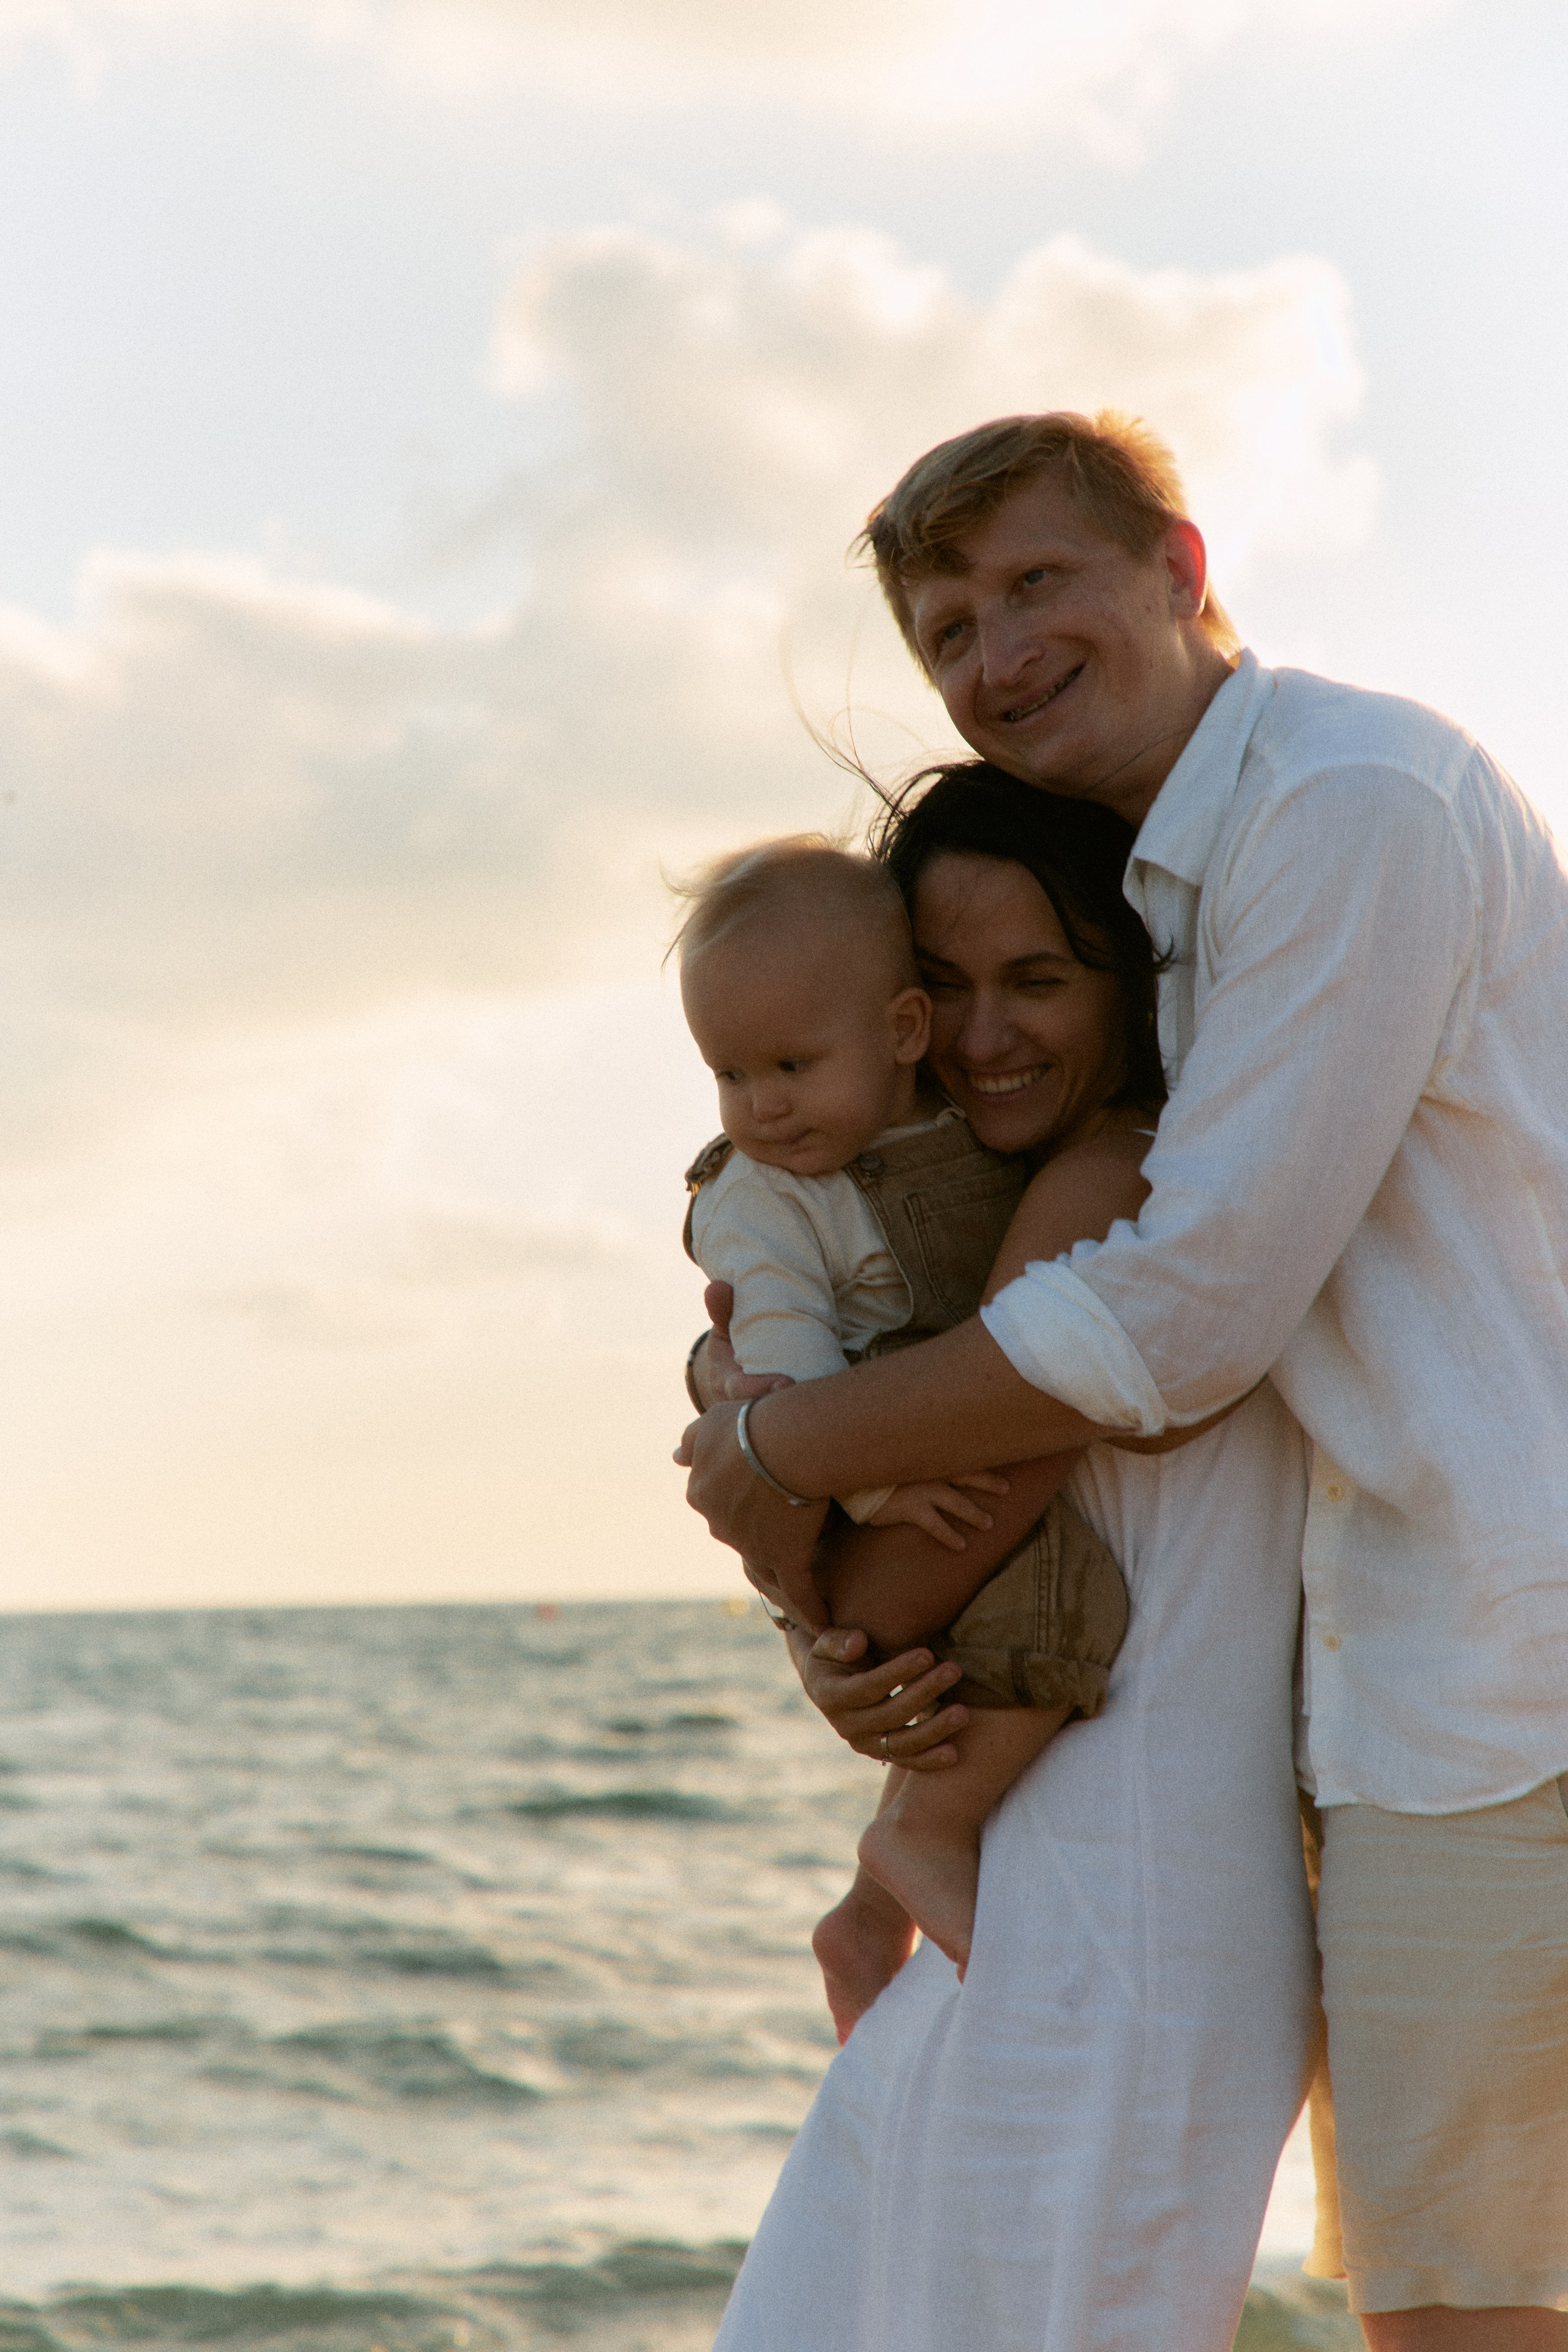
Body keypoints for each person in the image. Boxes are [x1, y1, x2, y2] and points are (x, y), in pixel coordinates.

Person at [684, 410, 1568, 2347]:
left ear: (1181, 566)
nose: (996, 655)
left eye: (1036, 584)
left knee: (1469, 2310)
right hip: (1371, 1704)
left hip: (1506, 1678)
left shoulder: (1347, 808)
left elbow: (1182, 1324)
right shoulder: (1177, 896)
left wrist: (777, 1452)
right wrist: (803, 1545)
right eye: (947, 630)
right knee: (1443, 2303)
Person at [700, 758, 1317, 2351]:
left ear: (1126, 979)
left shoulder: (1114, 1192)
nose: (980, 1034)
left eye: (1036, 979)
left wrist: (797, 1563)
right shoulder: (986, 1205)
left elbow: (901, 1579)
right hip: (1045, 1876)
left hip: (1125, 1891)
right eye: (946, 984)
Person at [675, 832, 1131, 1974]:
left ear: (898, 1031)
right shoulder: (768, 1197)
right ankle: (922, 1838)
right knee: (1058, 1605)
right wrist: (871, 1496)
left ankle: (875, 1910)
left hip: (898, 1446)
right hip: (881, 1464)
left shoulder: (980, 1131)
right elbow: (781, 1390)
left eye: (792, 1065)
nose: (762, 1107)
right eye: (731, 1076)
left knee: (1008, 1628)